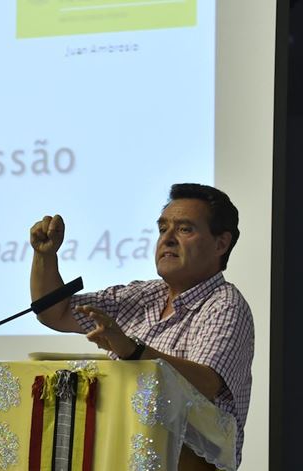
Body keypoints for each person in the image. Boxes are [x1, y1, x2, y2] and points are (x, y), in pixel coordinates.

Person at [30, 183, 254, 470]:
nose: (168, 239)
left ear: (220, 244)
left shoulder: (225, 304)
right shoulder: (142, 296)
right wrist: (45, 257)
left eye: (185, 229)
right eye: (163, 229)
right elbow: (55, 312)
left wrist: (134, 351)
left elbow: (207, 383)